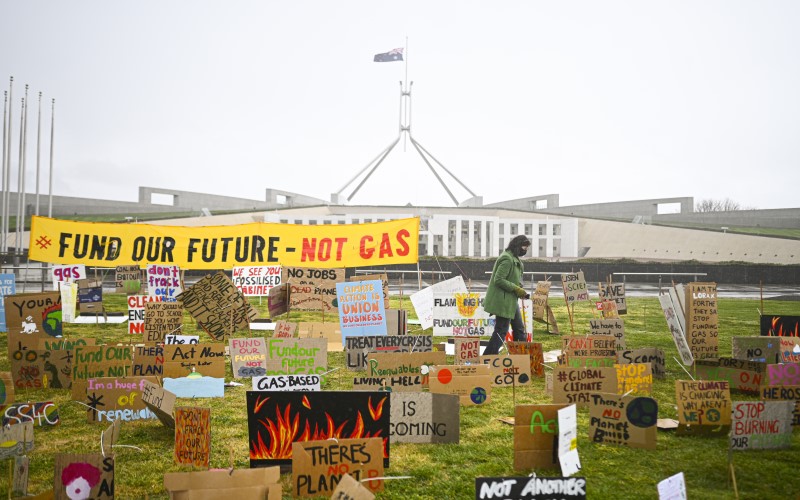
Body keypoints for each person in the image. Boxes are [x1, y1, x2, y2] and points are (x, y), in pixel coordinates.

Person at [483, 235, 531, 355]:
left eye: (527, 247)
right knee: (501, 331)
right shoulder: (507, 259)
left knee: (519, 329)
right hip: (503, 301)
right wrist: (516, 289)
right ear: (517, 245)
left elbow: (511, 277)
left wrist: (518, 285)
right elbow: (498, 279)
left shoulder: (513, 258)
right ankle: (488, 358)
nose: (525, 249)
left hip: (510, 300)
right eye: (524, 246)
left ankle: (520, 357)